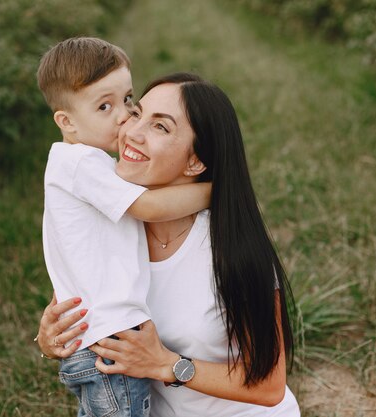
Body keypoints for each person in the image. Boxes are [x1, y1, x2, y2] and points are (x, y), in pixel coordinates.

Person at [37, 72, 300, 417]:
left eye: (160, 127)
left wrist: (166, 364)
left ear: (196, 161)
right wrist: (51, 340)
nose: (132, 131)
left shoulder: (232, 250)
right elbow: (83, 310)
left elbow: (268, 385)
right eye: (136, 112)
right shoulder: (108, 226)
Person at [36, 39, 211, 417]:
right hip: (111, 337)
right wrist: (217, 190)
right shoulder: (81, 163)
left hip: (102, 335)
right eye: (104, 106)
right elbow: (149, 207)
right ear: (66, 121)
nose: (124, 116)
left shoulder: (86, 163)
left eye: (128, 98)